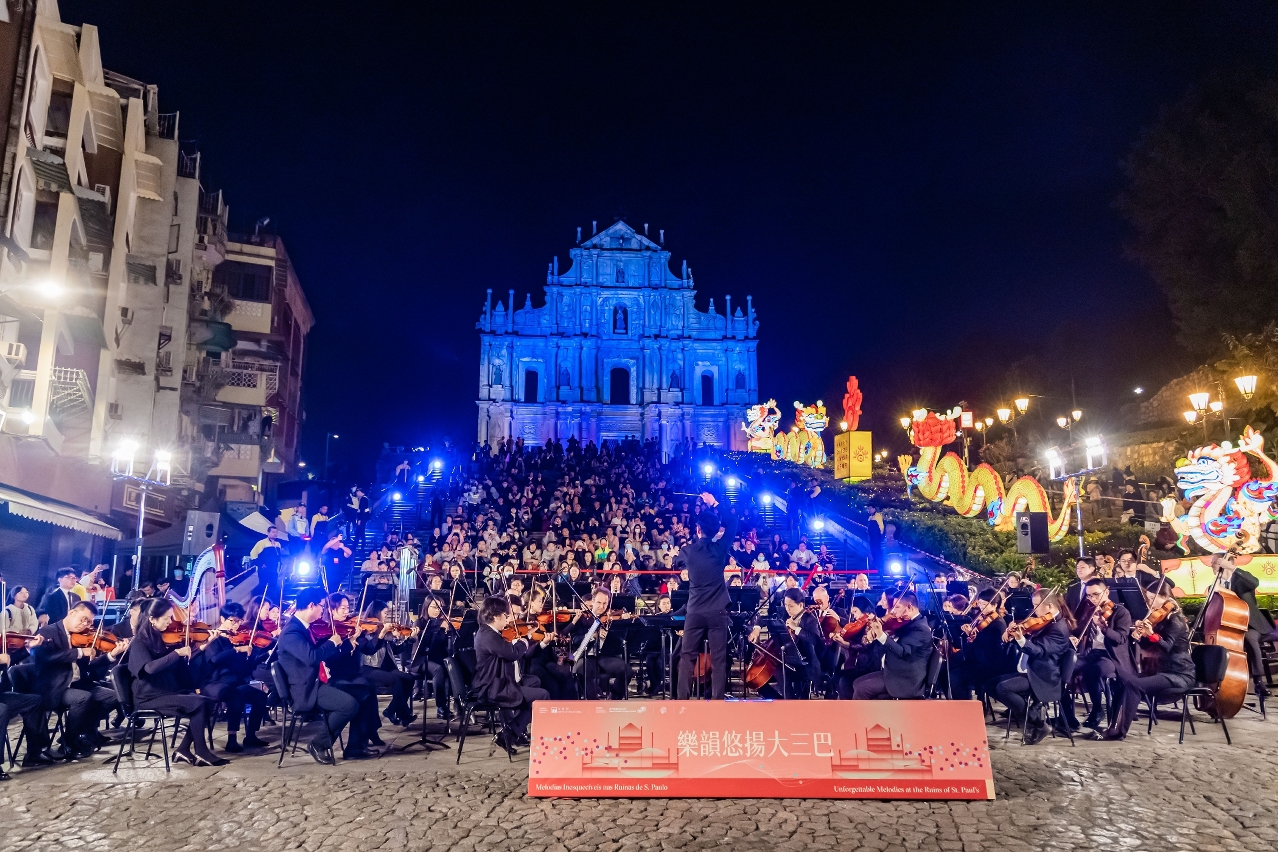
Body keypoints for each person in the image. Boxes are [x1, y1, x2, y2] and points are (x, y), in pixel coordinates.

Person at [128, 598, 227, 766]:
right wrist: (176, 654)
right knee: (199, 703)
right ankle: (201, 751)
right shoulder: (139, 642)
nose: (170, 622)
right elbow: (150, 668)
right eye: (166, 618)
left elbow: (176, 663)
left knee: (207, 703)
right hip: (148, 696)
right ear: (152, 619)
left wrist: (199, 646)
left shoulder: (159, 638)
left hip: (165, 691)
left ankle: (184, 749)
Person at [275, 587, 360, 765]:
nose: (323, 610)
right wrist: (331, 642)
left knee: (362, 692)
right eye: (321, 606)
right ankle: (318, 744)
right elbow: (311, 657)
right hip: (305, 690)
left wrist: (344, 645)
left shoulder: (303, 628)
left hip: (315, 682)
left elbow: (317, 657)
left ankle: (357, 745)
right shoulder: (292, 632)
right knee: (348, 705)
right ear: (311, 605)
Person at [29, 600, 120, 759]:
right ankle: (70, 741)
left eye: (90, 621)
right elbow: (43, 657)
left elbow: (90, 667)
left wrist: (111, 655)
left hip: (79, 683)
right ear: (72, 613)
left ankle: (80, 733)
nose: (85, 624)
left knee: (114, 697)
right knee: (83, 698)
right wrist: (78, 653)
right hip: (55, 687)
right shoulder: (48, 632)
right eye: (83, 619)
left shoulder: (82, 636)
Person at [1103, 588, 1195, 740]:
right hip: (1162, 670)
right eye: (1148, 598)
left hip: (1180, 673)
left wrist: (1152, 634)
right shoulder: (1160, 619)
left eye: (1153, 598)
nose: (1149, 602)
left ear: (1165, 597)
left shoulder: (1176, 620)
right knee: (1125, 680)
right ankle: (1113, 725)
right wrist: (1141, 636)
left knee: (1134, 685)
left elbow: (1167, 647)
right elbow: (1148, 647)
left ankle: (1119, 732)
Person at [674, 491, 736, 699]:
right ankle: (717, 701)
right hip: (718, 610)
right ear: (717, 530)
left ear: (697, 529)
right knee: (719, 659)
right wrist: (714, 503)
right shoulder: (721, 548)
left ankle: (683, 700)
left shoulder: (688, 550)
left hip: (695, 610)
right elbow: (733, 521)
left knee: (687, 656)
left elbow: (677, 562)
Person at [994, 592, 1074, 745]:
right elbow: (1030, 640)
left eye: (1037, 605)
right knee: (990, 684)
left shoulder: (1059, 627)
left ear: (1050, 606)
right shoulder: (1044, 622)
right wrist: (1013, 635)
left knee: (1004, 688)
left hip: (1044, 675)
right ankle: (1031, 716)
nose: (1034, 609)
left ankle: (1037, 723)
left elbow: (1038, 651)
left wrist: (1021, 639)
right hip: (1031, 669)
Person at [472, 595, 550, 753]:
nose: (508, 620)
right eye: (506, 616)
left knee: (534, 683)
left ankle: (514, 730)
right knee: (542, 696)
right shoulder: (489, 635)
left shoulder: (489, 632)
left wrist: (525, 635)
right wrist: (525, 640)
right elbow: (513, 653)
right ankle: (510, 732)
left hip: (499, 680)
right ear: (495, 617)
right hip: (494, 686)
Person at [200, 602, 270, 752]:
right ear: (221, 619)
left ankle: (251, 735)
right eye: (233, 621)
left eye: (239, 621)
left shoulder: (239, 638)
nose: (236, 625)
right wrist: (237, 650)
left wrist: (258, 655)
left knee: (261, 692)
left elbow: (245, 667)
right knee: (236, 695)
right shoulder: (214, 638)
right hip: (216, 681)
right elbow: (215, 659)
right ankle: (231, 739)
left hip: (237, 679)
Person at [1070, 579, 1132, 733]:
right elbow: (1077, 630)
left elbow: (1121, 638)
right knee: (1065, 667)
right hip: (1090, 653)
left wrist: (1104, 628)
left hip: (1110, 656)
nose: (1093, 599)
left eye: (1096, 595)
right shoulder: (1090, 610)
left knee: (1093, 671)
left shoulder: (1120, 612)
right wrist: (1072, 635)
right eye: (1089, 596)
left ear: (1107, 591)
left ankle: (1097, 709)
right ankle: (1067, 717)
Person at [851, 592, 933, 699]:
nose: (893, 611)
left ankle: (859, 715)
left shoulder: (920, 628)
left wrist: (881, 634)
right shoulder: (909, 623)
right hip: (894, 672)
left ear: (909, 607)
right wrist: (887, 633)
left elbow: (902, 651)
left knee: (862, 688)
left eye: (897, 607)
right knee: (856, 682)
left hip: (905, 679)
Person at [1213, 550, 1272, 699]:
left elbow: (1254, 582)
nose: (1211, 566)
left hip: (1250, 625)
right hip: (1229, 626)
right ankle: (1219, 683)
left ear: (1224, 564)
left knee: (1249, 639)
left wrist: (1232, 568)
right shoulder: (1216, 584)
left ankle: (1259, 681)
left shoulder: (1241, 580)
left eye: (1214, 563)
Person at [748, 588, 822, 699]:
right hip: (787, 662)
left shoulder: (810, 620)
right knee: (761, 680)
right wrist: (757, 629)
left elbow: (815, 640)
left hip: (806, 666)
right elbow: (764, 618)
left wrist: (796, 628)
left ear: (801, 605)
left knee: (780, 671)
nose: (787, 609)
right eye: (785, 605)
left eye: (791, 606)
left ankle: (789, 703)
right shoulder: (784, 614)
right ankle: (783, 702)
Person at [568, 588, 630, 699]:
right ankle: (593, 702)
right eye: (599, 603)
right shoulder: (582, 618)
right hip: (587, 656)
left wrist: (621, 625)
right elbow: (574, 639)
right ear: (593, 601)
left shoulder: (611, 619)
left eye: (605, 603)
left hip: (605, 656)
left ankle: (614, 699)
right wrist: (592, 635)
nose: (602, 607)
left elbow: (619, 642)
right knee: (581, 670)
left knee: (627, 671)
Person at [250, 526, 284, 597]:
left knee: (273, 585)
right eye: (273, 532)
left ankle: (269, 601)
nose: (275, 534)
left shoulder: (278, 544)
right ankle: (258, 599)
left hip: (274, 569)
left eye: (276, 532)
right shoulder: (262, 543)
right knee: (263, 585)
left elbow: (278, 556)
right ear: (268, 533)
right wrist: (260, 563)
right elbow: (253, 553)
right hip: (264, 569)